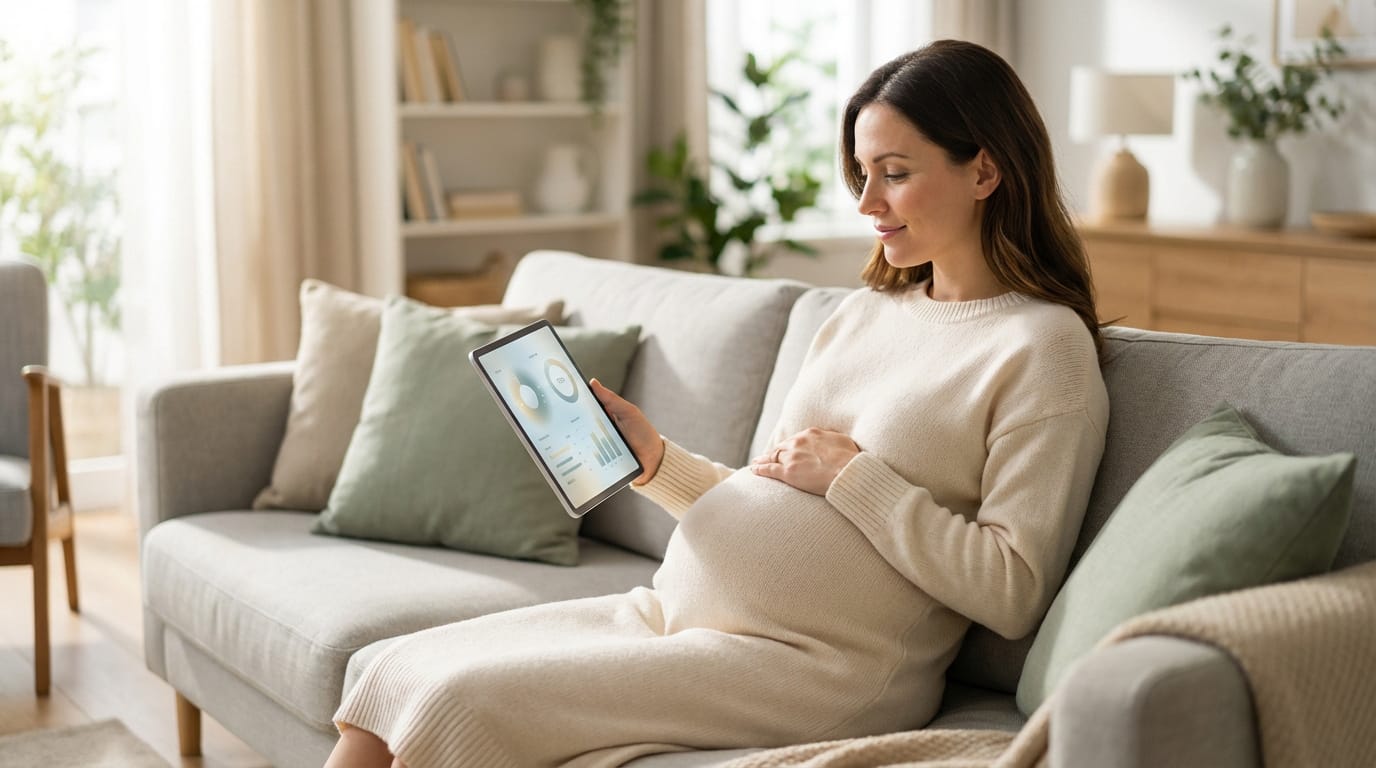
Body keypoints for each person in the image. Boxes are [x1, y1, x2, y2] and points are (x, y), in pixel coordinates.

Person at [324, 39, 1109, 768]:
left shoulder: (1042, 349)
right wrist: (658, 463)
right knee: (390, 670)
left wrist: (855, 478)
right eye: (861, 173)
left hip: (814, 668)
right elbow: (769, 488)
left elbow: (1012, 589)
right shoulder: (865, 313)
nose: (868, 202)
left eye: (895, 173)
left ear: (985, 170)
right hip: (674, 613)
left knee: (459, 703)